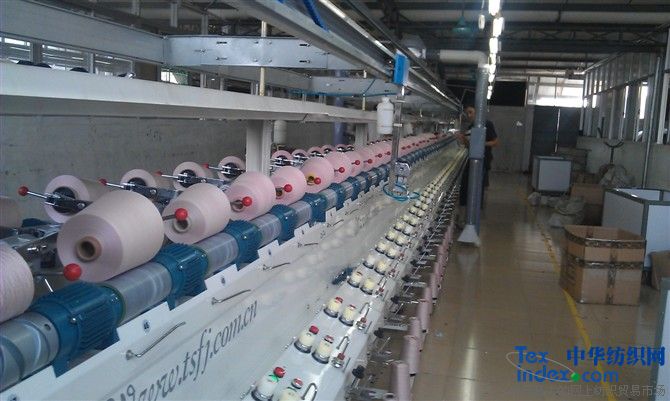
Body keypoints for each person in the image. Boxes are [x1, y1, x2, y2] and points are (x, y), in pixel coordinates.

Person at [456, 105, 499, 222]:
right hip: (471, 160)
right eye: (467, 113)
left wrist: (480, 144)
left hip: (482, 161)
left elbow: (495, 142)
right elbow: (468, 145)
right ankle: (465, 216)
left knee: (477, 189)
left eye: (471, 112)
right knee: (466, 187)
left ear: (477, 112)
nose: (469, 115)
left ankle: (473, 218)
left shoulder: (487, 124)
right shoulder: (471, 126)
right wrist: (463, 138)